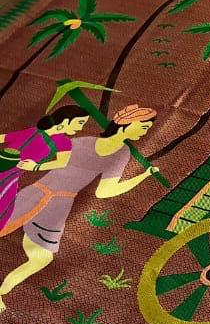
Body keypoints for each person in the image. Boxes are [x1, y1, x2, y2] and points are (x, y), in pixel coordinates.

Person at [0, 104, 159, 309]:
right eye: (143, 127)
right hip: (38, 193)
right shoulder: (81, 142)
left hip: (60, 205)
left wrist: (143, 176)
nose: (145, 132)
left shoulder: (122, 153)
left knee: (42, 258)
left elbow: (105, 191)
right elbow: (46, 152)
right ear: (126, 123)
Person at [0, 104, 90, 232]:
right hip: (4, 166)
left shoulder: (63, 143)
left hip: (10, 178)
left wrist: (36, 167)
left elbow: (61, 162)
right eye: (80, 123)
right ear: (66, 120)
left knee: (4, 209)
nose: (81, 128)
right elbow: (4, 137)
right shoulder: (33, 131)